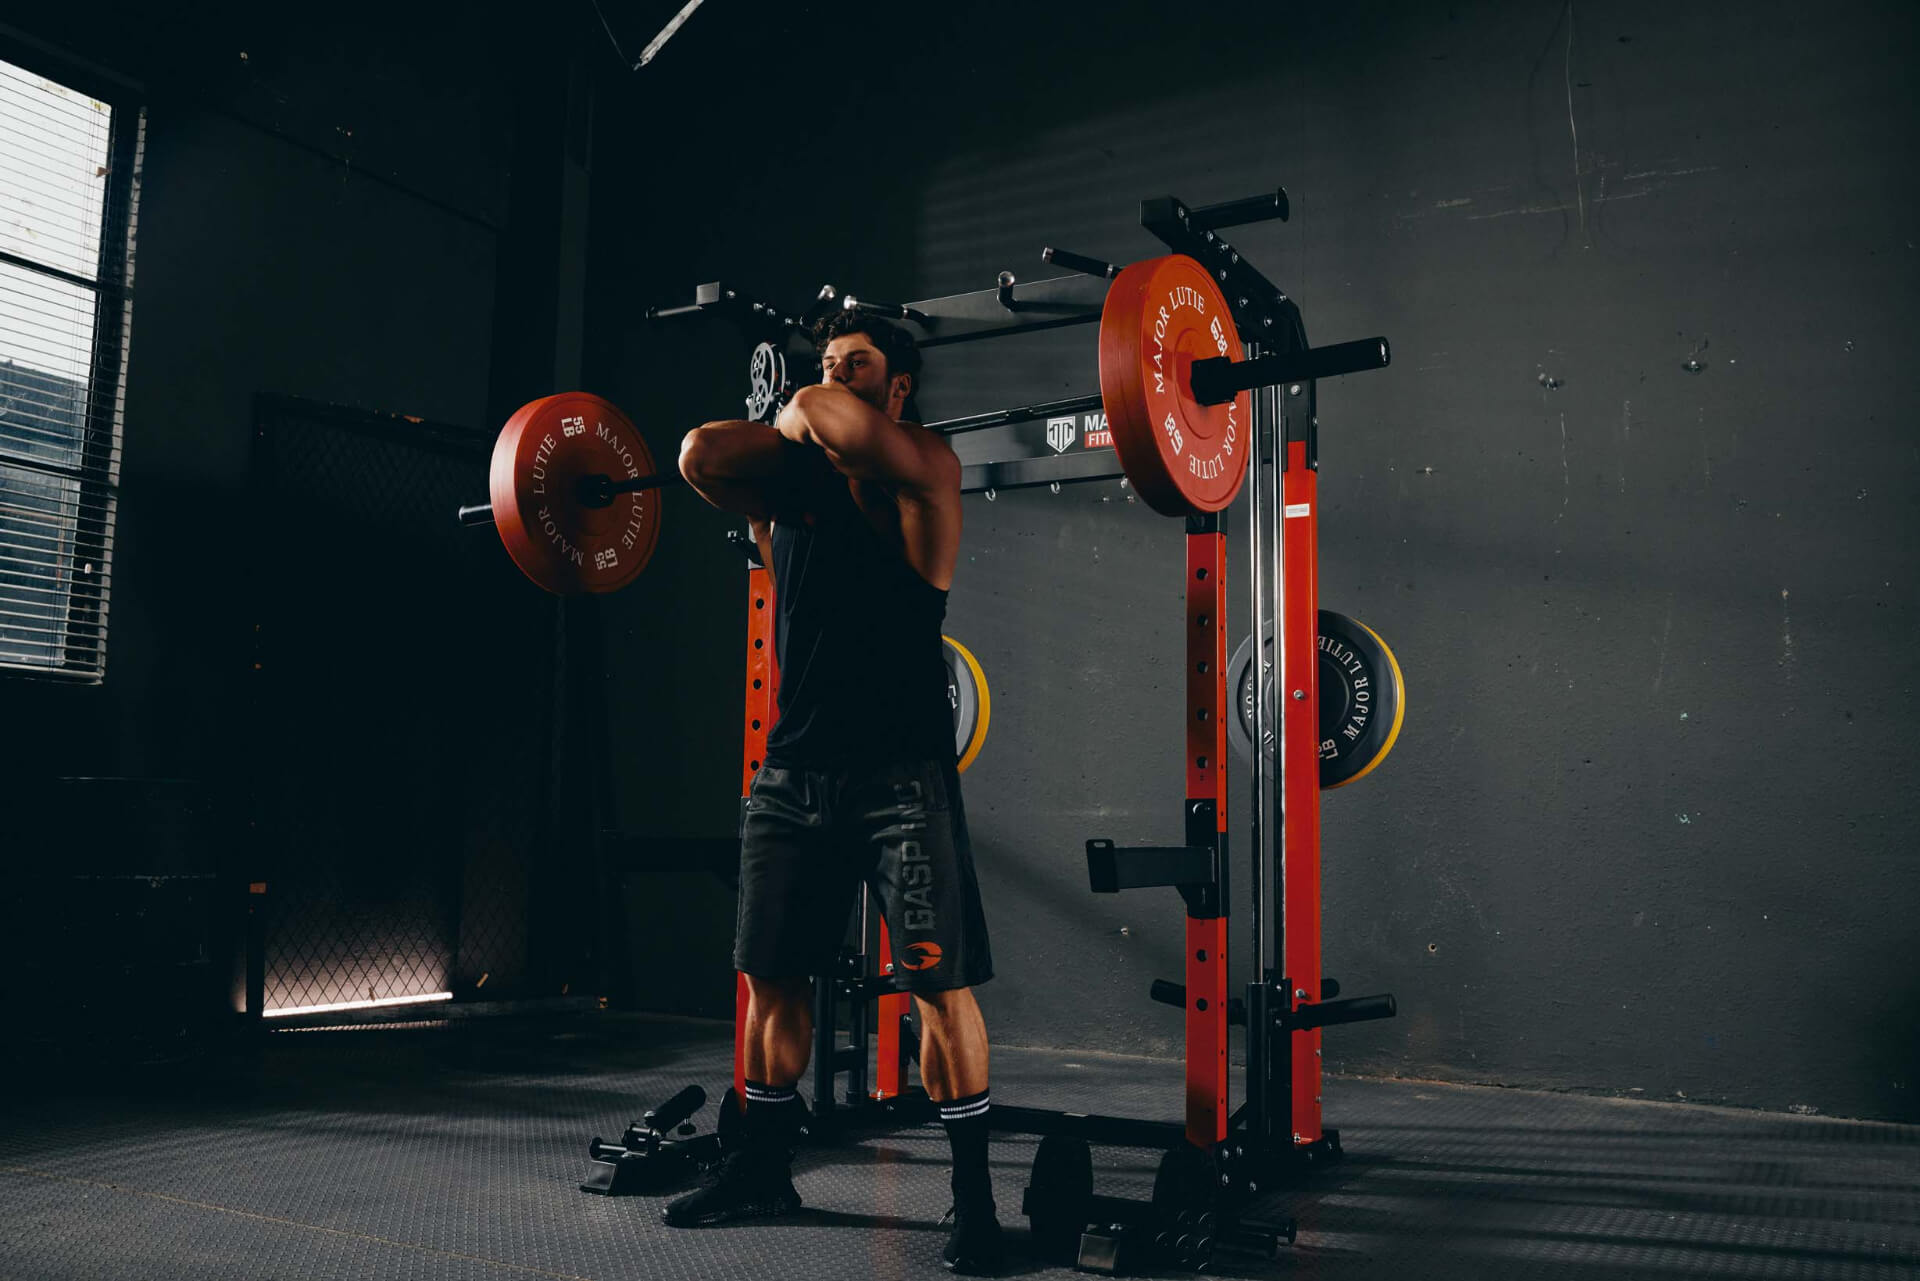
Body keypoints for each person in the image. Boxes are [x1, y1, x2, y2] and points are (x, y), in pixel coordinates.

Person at [670, 313, 1003, 1274]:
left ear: (899, 388)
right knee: (769, 981)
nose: (832, 377)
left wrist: (801, 408)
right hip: (794, 775)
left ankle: (973, 1204)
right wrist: (793, 431)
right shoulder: (784, 493)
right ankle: (764, 1166)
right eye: (825, 363)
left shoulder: (925, 472)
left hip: (902, 777)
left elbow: (822, 419)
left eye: (856, 363)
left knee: (940, 992)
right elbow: (697, 454)